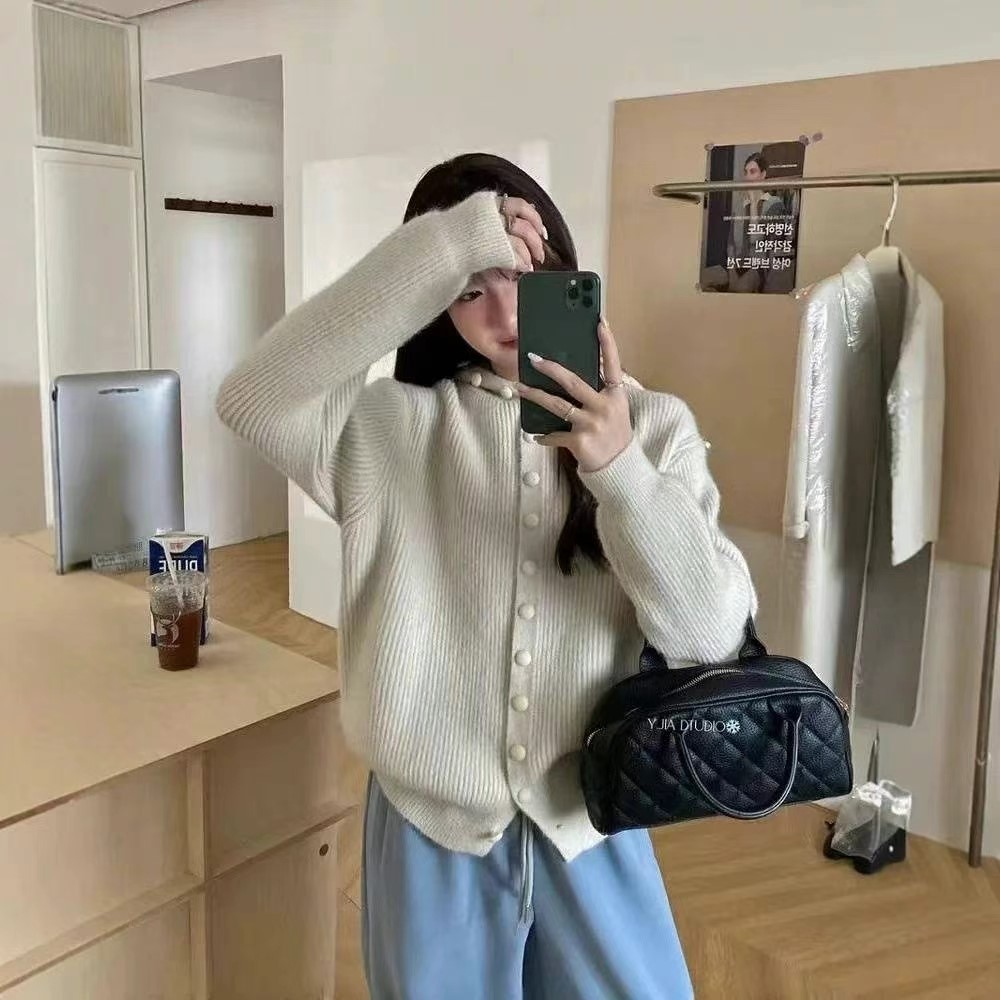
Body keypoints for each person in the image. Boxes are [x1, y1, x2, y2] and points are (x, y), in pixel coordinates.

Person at [216, 152, 757, 1000]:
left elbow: (712, 635)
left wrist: (619, 469)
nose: (502, 312)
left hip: (594, 826)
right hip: (430, 836)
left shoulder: (655, 427)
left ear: (562, 272)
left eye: (518, 277)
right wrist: (441, 248)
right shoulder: (388, 430)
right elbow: (252, 396)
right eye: (468, 290)